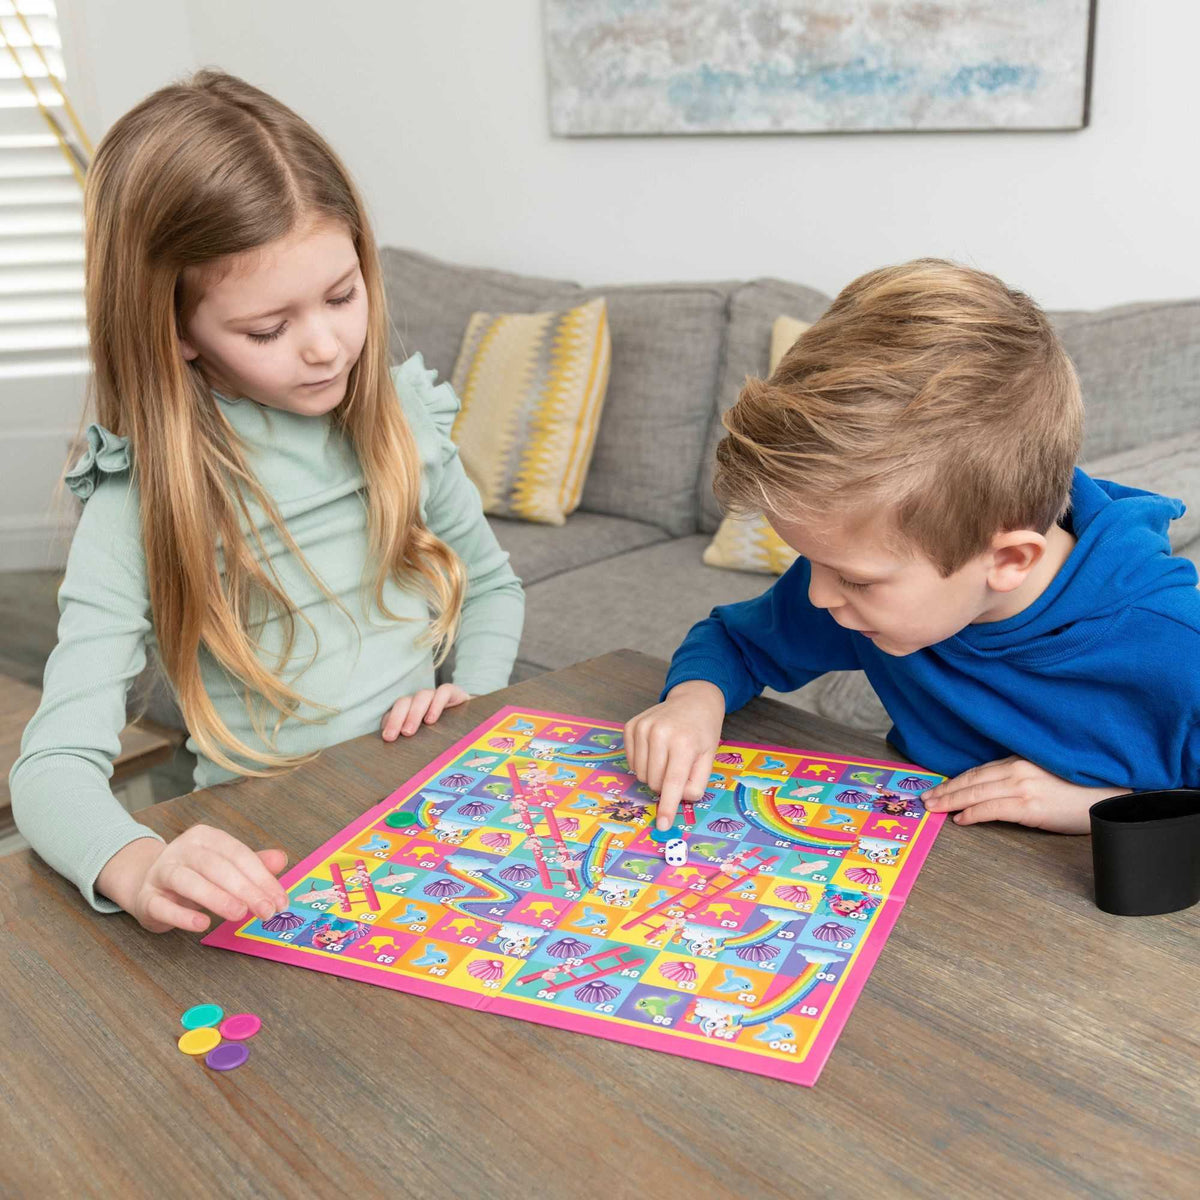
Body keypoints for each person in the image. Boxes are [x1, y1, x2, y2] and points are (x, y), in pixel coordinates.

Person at [9, 72, 524, 932]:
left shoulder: (401, 420)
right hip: (275, 855)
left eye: (342, 294)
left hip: (433, 810)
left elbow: (495, 588)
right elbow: (51, 767)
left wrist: (471, 695)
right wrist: (140, 867)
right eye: (265, 330)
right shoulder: (142, 498)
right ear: (174, 331)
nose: (327, 348)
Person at [625, 259, 1200, 835]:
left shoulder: (1178, 648)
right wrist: (693, 702)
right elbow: (735, 640)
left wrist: (1104, 806)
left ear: (1007, 560)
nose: (818, 595)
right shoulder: (852, 598)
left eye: (856, 578)